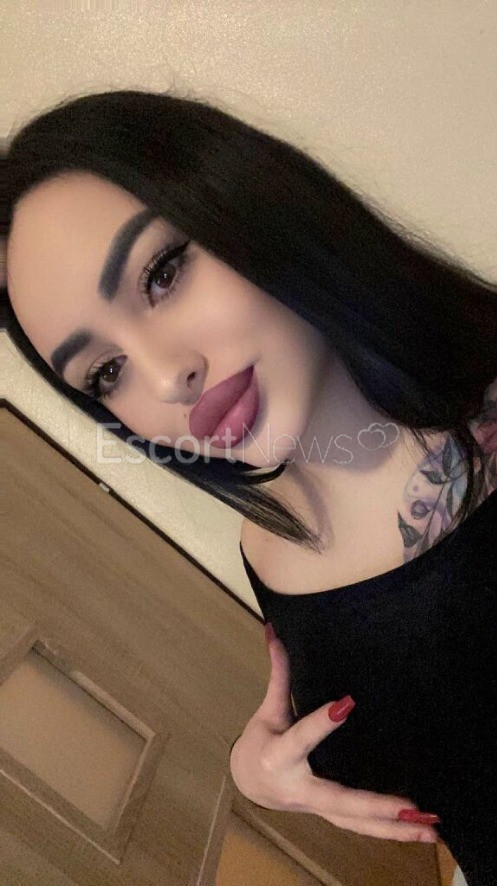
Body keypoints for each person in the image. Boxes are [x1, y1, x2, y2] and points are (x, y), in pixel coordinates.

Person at [2, 89, 496, 885]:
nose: (167, 376)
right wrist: (257, 772)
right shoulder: (265, 549)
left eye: (162, 274)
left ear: (251, 201)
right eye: (105, 372)